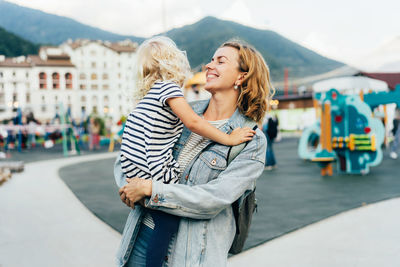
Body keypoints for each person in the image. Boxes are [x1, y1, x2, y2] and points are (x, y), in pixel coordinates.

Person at [116, 40, 273, 267]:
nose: (209, 66)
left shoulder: (251, 139)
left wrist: (150, 189)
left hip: (190, 255)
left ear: (241, 78)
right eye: (211, 60)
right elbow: (133, 148)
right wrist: (128, 186)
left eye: (220, 61)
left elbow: (214, 198)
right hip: (142, 237)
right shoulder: (180, 110)